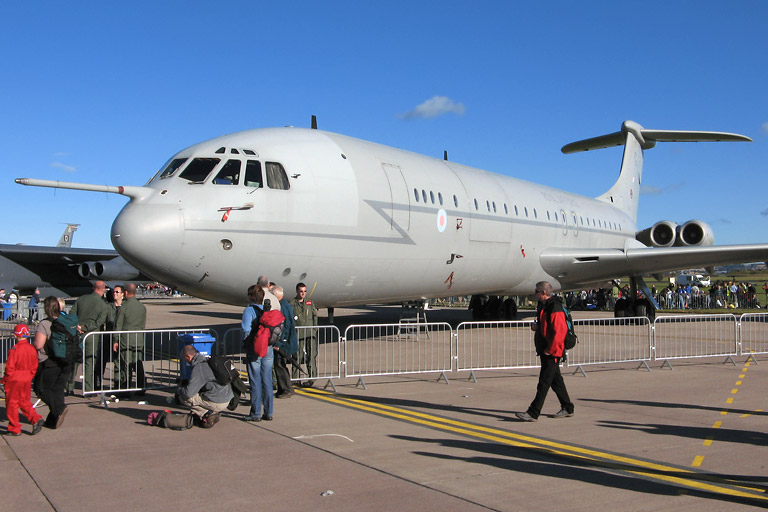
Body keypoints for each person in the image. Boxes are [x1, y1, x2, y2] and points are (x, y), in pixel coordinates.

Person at [516, 281, 575, 422]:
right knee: (556, 381)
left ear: (543, 293)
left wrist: (552, 349)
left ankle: (533, 412)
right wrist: (537, 327)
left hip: (552, 351)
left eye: (536, 291)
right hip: (546, 349)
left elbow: (559, 331)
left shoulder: (554, 307)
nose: (535, 293)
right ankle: (567, 407)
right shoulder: (545, 306)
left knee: (544, 382)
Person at [33, 296, 71, 428]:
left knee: (40, 388)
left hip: (48, 361)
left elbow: (38, 344)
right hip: (65, 360)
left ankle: (58, 409)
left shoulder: (45, 323)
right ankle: (52, 420)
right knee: (57, 389)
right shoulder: (66, 322)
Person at [2, 324, 45, 436]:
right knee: (24, 401)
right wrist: (29, 375)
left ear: (16, 335)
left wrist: (4, 379)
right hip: (26, 378)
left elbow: (9, 368)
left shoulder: (15, 350)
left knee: (12, 404)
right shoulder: (31, 348)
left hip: (14, 379)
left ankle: (14, 428)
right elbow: (35, 365)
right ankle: (35, 419)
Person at [69, 280, 110, 393]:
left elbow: (72, 313)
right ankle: (88, 389)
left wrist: (78, 326)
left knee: (75, 361)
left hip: (78, 333)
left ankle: (69, 386)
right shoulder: (103, 305)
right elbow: (99, 322)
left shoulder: (82, 299)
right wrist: (85, 328)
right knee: (90, 361)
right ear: (103, 289)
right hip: (92, 335)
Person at [177, 345, 232, 427]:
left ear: (188, 357)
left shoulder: (199, 368)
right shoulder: (207, 360)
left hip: (218, 401)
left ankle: (208, 414)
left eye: (184, 358)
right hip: (227, 398)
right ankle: (211, 411)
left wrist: (180, 390)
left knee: (183, 398)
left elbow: (188, 393)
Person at [242, 285, 273, 421]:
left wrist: (246, 342)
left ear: (251, 297)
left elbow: (245, 329)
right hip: (267, 347)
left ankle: (255, 413)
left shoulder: (249, 310)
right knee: (267, 380)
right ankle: (269, 412)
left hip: (255, 348)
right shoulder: (267, 310)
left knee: (255, 381)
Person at [113, 283, 147, 394]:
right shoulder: (141, 307)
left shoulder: (124, 307)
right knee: (137, 363)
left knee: (125, 364)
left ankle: (125, 389)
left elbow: (119, 325)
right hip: (138, 339)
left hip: (126, 340)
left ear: (126, 293)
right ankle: (141, 387)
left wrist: (115, 340)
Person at [272, 286, 298, 398]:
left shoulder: (282, 306)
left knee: (280, 365)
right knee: (280, 365)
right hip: (284, 342)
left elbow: (285, 327)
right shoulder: (284, 305)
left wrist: (279, 344)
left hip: (283, 342)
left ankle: (287, 389)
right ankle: (283, 388)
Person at [291, 282, 318, 386]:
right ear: (297, 291)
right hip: (298, 334)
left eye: (305, 291)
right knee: (297, 356)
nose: (303, 293)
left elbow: (315, 316)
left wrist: (314, 330)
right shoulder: (292, 303)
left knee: (311, 356)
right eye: (301, 291)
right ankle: (295, 379)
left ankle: (312, 377)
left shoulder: (310, 303)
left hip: (310, 333)